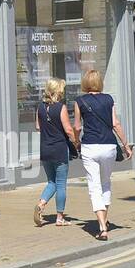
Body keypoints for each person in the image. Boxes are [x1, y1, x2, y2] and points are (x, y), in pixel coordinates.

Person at [73, 69, 132, 241]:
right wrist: (126, 145)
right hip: (108, 147)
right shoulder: (108, 99)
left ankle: (102, 227)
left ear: (85, 83)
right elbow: (116, 124)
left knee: (94, 185)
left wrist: (76, 142)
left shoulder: (80, 101)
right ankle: (104, 221)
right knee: (105, 182)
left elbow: (77, 127)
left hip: (90, 147)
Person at [34, 78, 76, 227]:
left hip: (45, 149)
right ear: (58, 91)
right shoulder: (61, 107)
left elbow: (38, 127)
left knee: (51, 181)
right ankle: (60, 218)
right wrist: (76, 141)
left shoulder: (40, 107)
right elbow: (68, 130)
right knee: (61, 184)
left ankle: (41, 204)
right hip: (59, 149)